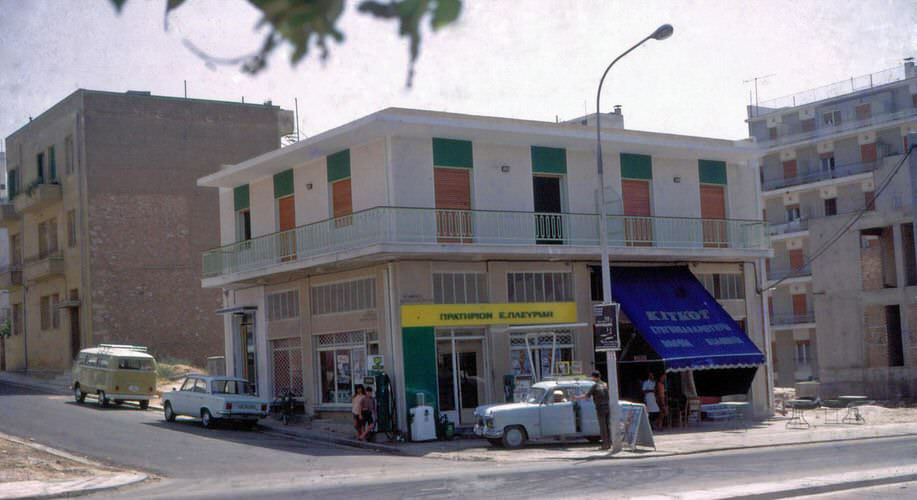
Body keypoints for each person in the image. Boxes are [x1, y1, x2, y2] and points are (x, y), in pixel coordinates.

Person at [575, 370, 611, 450]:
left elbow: (587, 396)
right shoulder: (605, 384)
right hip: (607, 407)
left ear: (594, 377)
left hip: (600, 408)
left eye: (592, 377)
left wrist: (576, 397)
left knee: (603, 427)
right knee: (607, 426)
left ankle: (605, 445)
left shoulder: (595, 386)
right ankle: (609, 443)